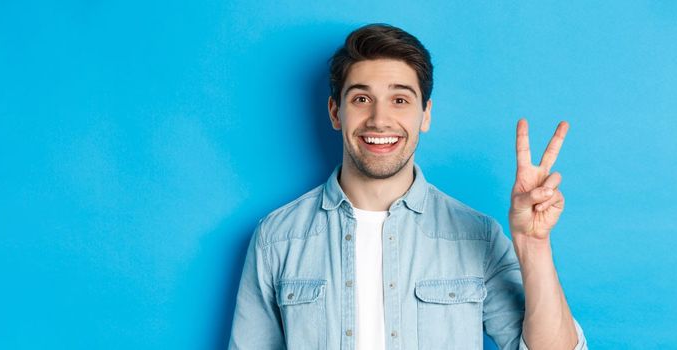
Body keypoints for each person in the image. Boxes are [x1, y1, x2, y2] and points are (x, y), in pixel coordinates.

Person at [229, 23, 587, 350]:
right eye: (361, 99)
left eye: (399, 100)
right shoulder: (277, 238)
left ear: (425, 114)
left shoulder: (478, 237)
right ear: (336, 112)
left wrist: (533, 244)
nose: (380, 119)